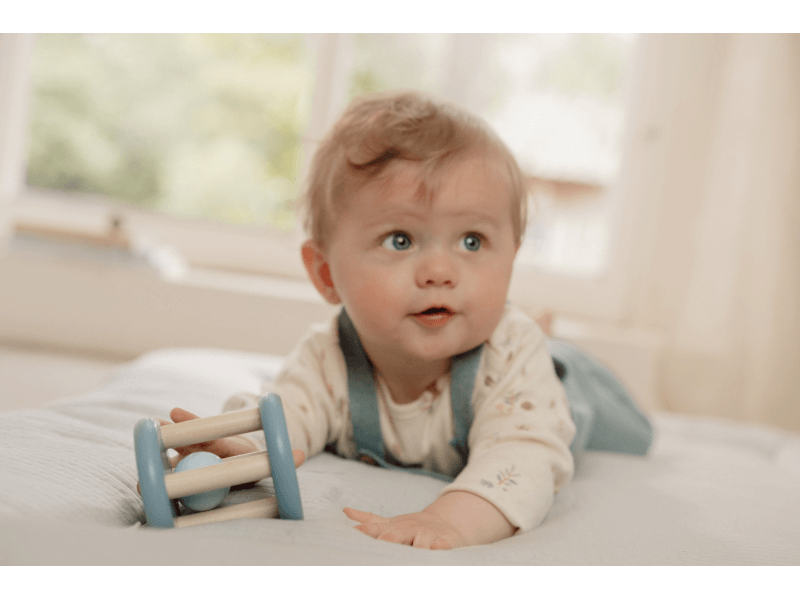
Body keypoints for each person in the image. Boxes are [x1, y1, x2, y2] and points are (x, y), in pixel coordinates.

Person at [164, 90, 576, 549]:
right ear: (326, 273)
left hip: (545, 395)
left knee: (581, 397)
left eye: (473, 241)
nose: (439, 272)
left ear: (513, 259)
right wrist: (243, 453)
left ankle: (547, 333)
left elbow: (524, 454)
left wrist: (451, 521)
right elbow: (288, 415)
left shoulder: (511, 354)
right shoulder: (329, 358)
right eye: (400, 240)